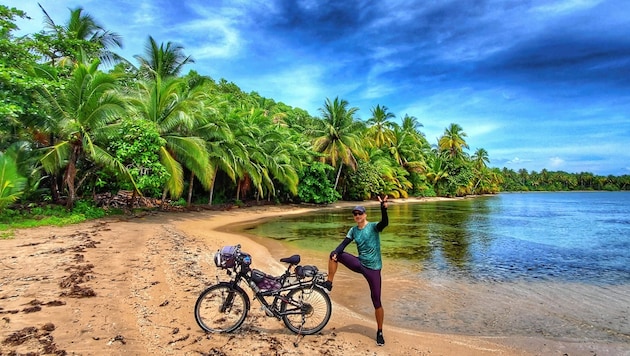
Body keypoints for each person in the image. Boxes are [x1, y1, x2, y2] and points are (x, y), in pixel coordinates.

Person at [322, 195, 389, 346]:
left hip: (373, 269)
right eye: (355, 214)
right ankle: (329, 283)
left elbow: (384, 223)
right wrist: (336, 252)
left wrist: (383, 209)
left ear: (365, 215)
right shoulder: (353, 230)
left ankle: (379, 331)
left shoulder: (372, 227)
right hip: (360, 264)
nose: (357, 216)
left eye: (360, 213)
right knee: (334, 254)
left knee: (376, 300)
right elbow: (343, 245)